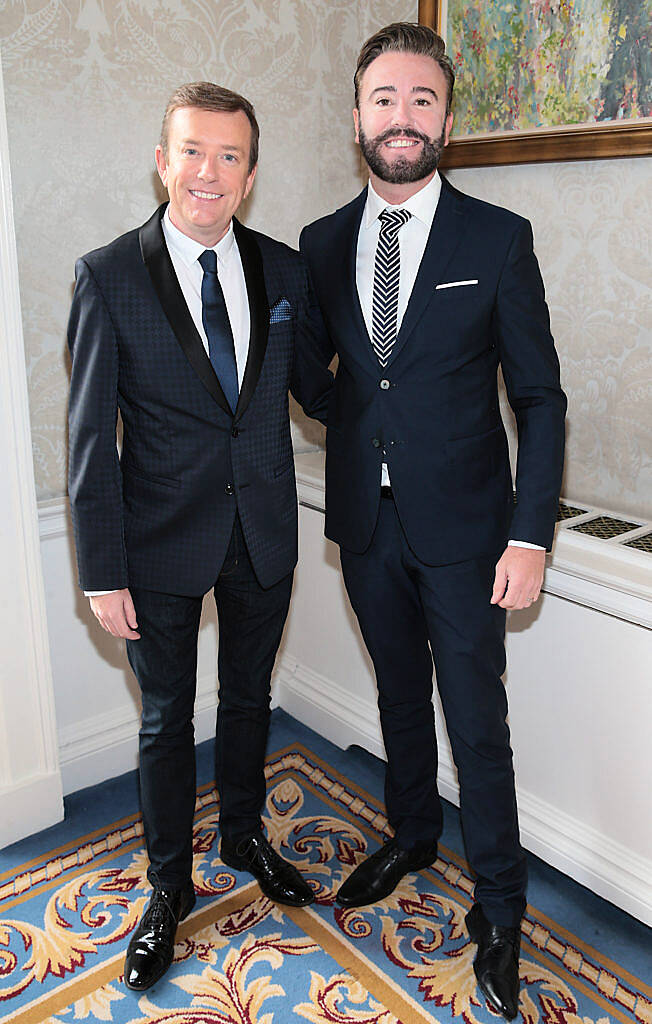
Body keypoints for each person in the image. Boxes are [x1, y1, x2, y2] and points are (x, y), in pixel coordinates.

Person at [298, 23, 566, 1022]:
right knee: (400, 700)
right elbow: (322, 375)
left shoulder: (496, 238)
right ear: (355, 115)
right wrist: (362, 427)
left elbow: (539, 399)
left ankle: (499, 908)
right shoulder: (321, 244)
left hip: (467, 536)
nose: (400, 117)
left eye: (420, 99)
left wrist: (530, 535)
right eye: (383, 98)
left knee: (476, 723)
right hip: (364, 528)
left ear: (446, 120)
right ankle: (412, 834)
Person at [67, 82, 327, 992]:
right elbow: (91, 439)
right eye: (191, 151)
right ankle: (168, 891)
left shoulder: (286, 272)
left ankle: (247, 837)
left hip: (262, 532)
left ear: (250, 175)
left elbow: (317, 393)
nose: (207, 172)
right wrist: (101, 571)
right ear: (161, 158)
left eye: (228, 157)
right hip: (157, 544)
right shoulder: (106, 275)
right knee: (166, 722)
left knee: (250, 700)